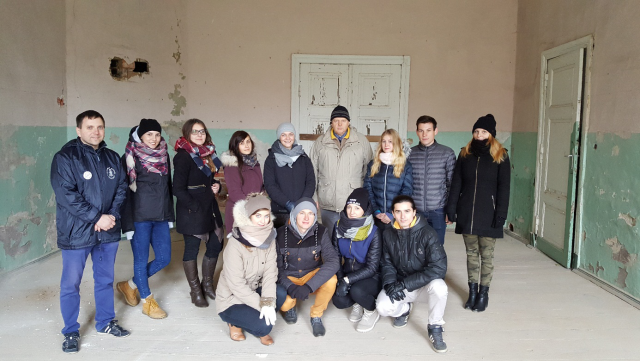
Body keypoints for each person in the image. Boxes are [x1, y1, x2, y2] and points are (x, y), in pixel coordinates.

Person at [50, 110, 130, 353]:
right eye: (90, 127)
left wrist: (111, 217)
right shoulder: (65, 157)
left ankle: (105, 322)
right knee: (70, 283)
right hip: (77, 233)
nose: (96, 132)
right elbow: (66, 195)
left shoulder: (113, 157)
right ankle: (71, 331)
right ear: (78, 130)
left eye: (100, 127)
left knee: (105, 280)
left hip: (107, 232)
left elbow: (122, 189)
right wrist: (97, 217)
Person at [446, 114, 510, 313]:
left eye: (483, 131)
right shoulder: (465, 154)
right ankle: (472, 292)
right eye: (476, 131)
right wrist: (452, 208)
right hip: (467, 213)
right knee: (471, 254)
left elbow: (504, 188)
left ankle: (483, 294)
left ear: (491, 134)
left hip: (489, 215)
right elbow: (456, 183)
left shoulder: (501, 155)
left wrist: (501, 214)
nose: (479, 135)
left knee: (487, 256)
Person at [116, 119, 175, 319]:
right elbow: (123, 192)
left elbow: (168, 186)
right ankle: (147, 301)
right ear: (140, 136)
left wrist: (169, 216)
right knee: (140, 260)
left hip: (160, 216)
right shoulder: (129, 157)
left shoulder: (164, 155)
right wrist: (127, 222)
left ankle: (129, 285)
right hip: (139, 217)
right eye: (149, 134)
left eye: (157, 134)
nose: (154, 138)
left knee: (164, 258)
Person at [376, 195, 448, 353]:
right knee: (382, 306)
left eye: (407, 211)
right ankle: (404, 310)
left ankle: (435, 326)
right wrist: (389, 283)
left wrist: (404, 284)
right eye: (398, 212)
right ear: (393, 214)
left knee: (440, 287)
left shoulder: (428, 233)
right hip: (401, 286)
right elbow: (386, 262)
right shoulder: (388, 233)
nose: (403, 216)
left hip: (423, 286)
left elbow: (438, 268)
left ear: (414, 212)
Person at [216, 193, 286, 346]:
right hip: (231, 298)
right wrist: (263, 306)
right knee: (264, 326)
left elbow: (270, 272)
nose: (263, 221)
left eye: (266, 216)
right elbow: (236, 285)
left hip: (253, 290)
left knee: (280, 292)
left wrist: (267, 301)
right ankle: (234, 322)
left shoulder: (269, 237)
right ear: (248, 216)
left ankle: (253, 319)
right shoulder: (236, 243)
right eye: (258, 215)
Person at [173, 119, 224, 308]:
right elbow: (177, 188)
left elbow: (209, 179)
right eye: (195, 132)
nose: (199, 135)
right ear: (187, 134)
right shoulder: (183, 156)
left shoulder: (209, 154)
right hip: (192, 209)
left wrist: (217, 186)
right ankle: (195, 291)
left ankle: (207, 284)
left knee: (216, 244)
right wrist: (194, 206)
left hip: (209, 207)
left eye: (202, 131)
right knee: (192, 249)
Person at [275, 198, 339, 337]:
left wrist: (309, 286)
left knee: (331, 280)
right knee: (284, 304)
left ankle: (316, 315)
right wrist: (290, 287)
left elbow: (333, 261)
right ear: (294, 215)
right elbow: (277, 268)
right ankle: (290, 307)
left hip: (311, 275)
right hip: (289, 277)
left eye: (311, 213)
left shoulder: (321, 231)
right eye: (302, 213)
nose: (306, 218)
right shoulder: (279, 234)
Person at [309, 105, 373, 230]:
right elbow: (312, 172)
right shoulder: (320, 142)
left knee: (351, 241)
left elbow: (369, 171)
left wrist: (365, 197)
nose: (339, 124)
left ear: (348, 122)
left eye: (343, 121)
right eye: (336, 121)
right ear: (331, 123)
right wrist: (314, 197)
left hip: (353, 203)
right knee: (330, 241)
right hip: (327, 203)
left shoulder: (361, 141)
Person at [331, 188, 382, 333]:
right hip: (348, 272)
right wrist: (341, 279)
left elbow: (372, 267)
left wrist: (347, 281)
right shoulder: (338, 227)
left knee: (357, 290)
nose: (352, 211)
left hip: (370, 276)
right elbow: (335, 257)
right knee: (339, 301)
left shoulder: (373, 232)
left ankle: (371, 311)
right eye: (349, 207)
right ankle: (357, 304)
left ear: (365, 210)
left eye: (357, 208)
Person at [407, 116, 456, 245]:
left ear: (435, 131)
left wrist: (450, 211)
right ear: (417, 132)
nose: (424, 134)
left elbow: (452, 185)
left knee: (436, 248)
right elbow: (405, 184)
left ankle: (436, 266)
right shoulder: (410, 154)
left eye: (428, 130)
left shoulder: (447, 153)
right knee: (415, 248)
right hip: (415, 212)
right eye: (421, 130)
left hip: (438, 211)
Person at [263, 122, 315, 228]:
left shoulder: (304, 158)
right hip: (280, 212)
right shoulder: (271, 159)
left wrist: (301, 203)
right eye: (283, 135)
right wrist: (287, 203)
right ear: (279, 137)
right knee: (281, 242)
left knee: (301, 243)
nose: (287, 138)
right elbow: (270, 185)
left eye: (290, 134)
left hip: (302, 211)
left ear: (294, 136)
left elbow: (311, 182)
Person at [363, 129, 413, 231]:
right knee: (378, 246)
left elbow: (406, 191)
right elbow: (368, 189)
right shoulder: (373, 164)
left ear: (396, 143)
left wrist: (392, 213)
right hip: (377, 217)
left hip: (397, 217)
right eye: (384, 141)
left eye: (390, 141)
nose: (386, 144)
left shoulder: (405, 165)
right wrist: (376, 211)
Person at [221, 131, 264, 236]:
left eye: (248, 141)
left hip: (255, 211)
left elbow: (259, 186)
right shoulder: (232, 164)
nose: (246, 145)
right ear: (235, 145)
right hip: (240, 212)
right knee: (241, 248)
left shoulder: (254, 163)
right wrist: (252, 206)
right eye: (242, 143)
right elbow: (235, 193)